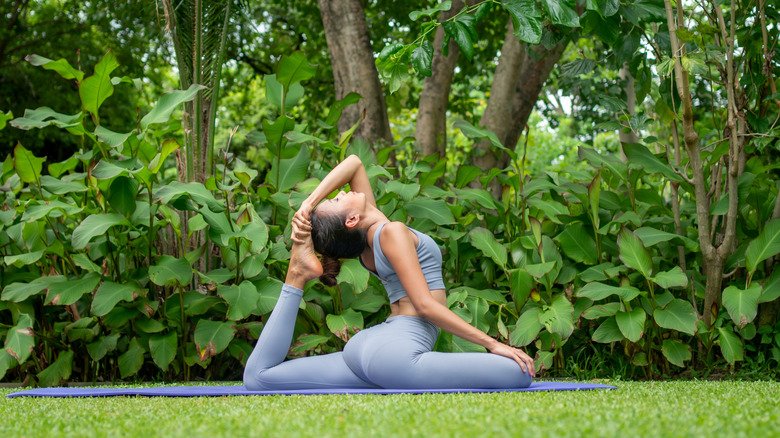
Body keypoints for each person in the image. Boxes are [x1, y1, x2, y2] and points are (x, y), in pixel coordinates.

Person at [243, 155, 534, 390]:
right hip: (398, 353)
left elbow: (354, 163)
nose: (341, 192)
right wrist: (493, 343)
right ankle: (297, 269)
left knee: (259, 377)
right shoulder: (391, 232)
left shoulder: (371, 240)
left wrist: (308, 205)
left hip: (366, 348)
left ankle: (297, 274)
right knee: (518, 372)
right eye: (335, 201)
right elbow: (424, 305)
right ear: (352, 219)